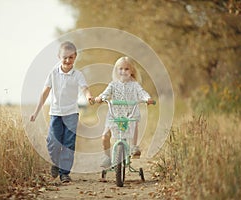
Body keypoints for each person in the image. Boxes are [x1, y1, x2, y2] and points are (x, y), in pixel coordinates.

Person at [30, 41, 94, 183]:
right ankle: (56, 162)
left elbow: (84, 88)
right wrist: (36, 112)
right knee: (53, 142)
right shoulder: (53, 74)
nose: (67, 60)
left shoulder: (77, 74)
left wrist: (88, 96)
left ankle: (64, 173)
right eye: (65, 57)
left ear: (75, 57)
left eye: (71, 57)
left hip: (71, 113)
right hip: (56, 113)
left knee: (68, 143)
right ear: (59, 56)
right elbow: (45, 92)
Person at [95, 56, 155, 168]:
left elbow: (142, 93)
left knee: (134, 124)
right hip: (115, 114)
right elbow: (105, 93)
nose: (123, 71)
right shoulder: (113, 84)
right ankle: (107, 157)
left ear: (132, 70)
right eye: (120, 69)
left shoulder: (135, 85)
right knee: (105, 136)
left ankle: (134, 146)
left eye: (126, 69)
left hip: (129, 114)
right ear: (116, 70)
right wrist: (100, 98)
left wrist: (147, 99)